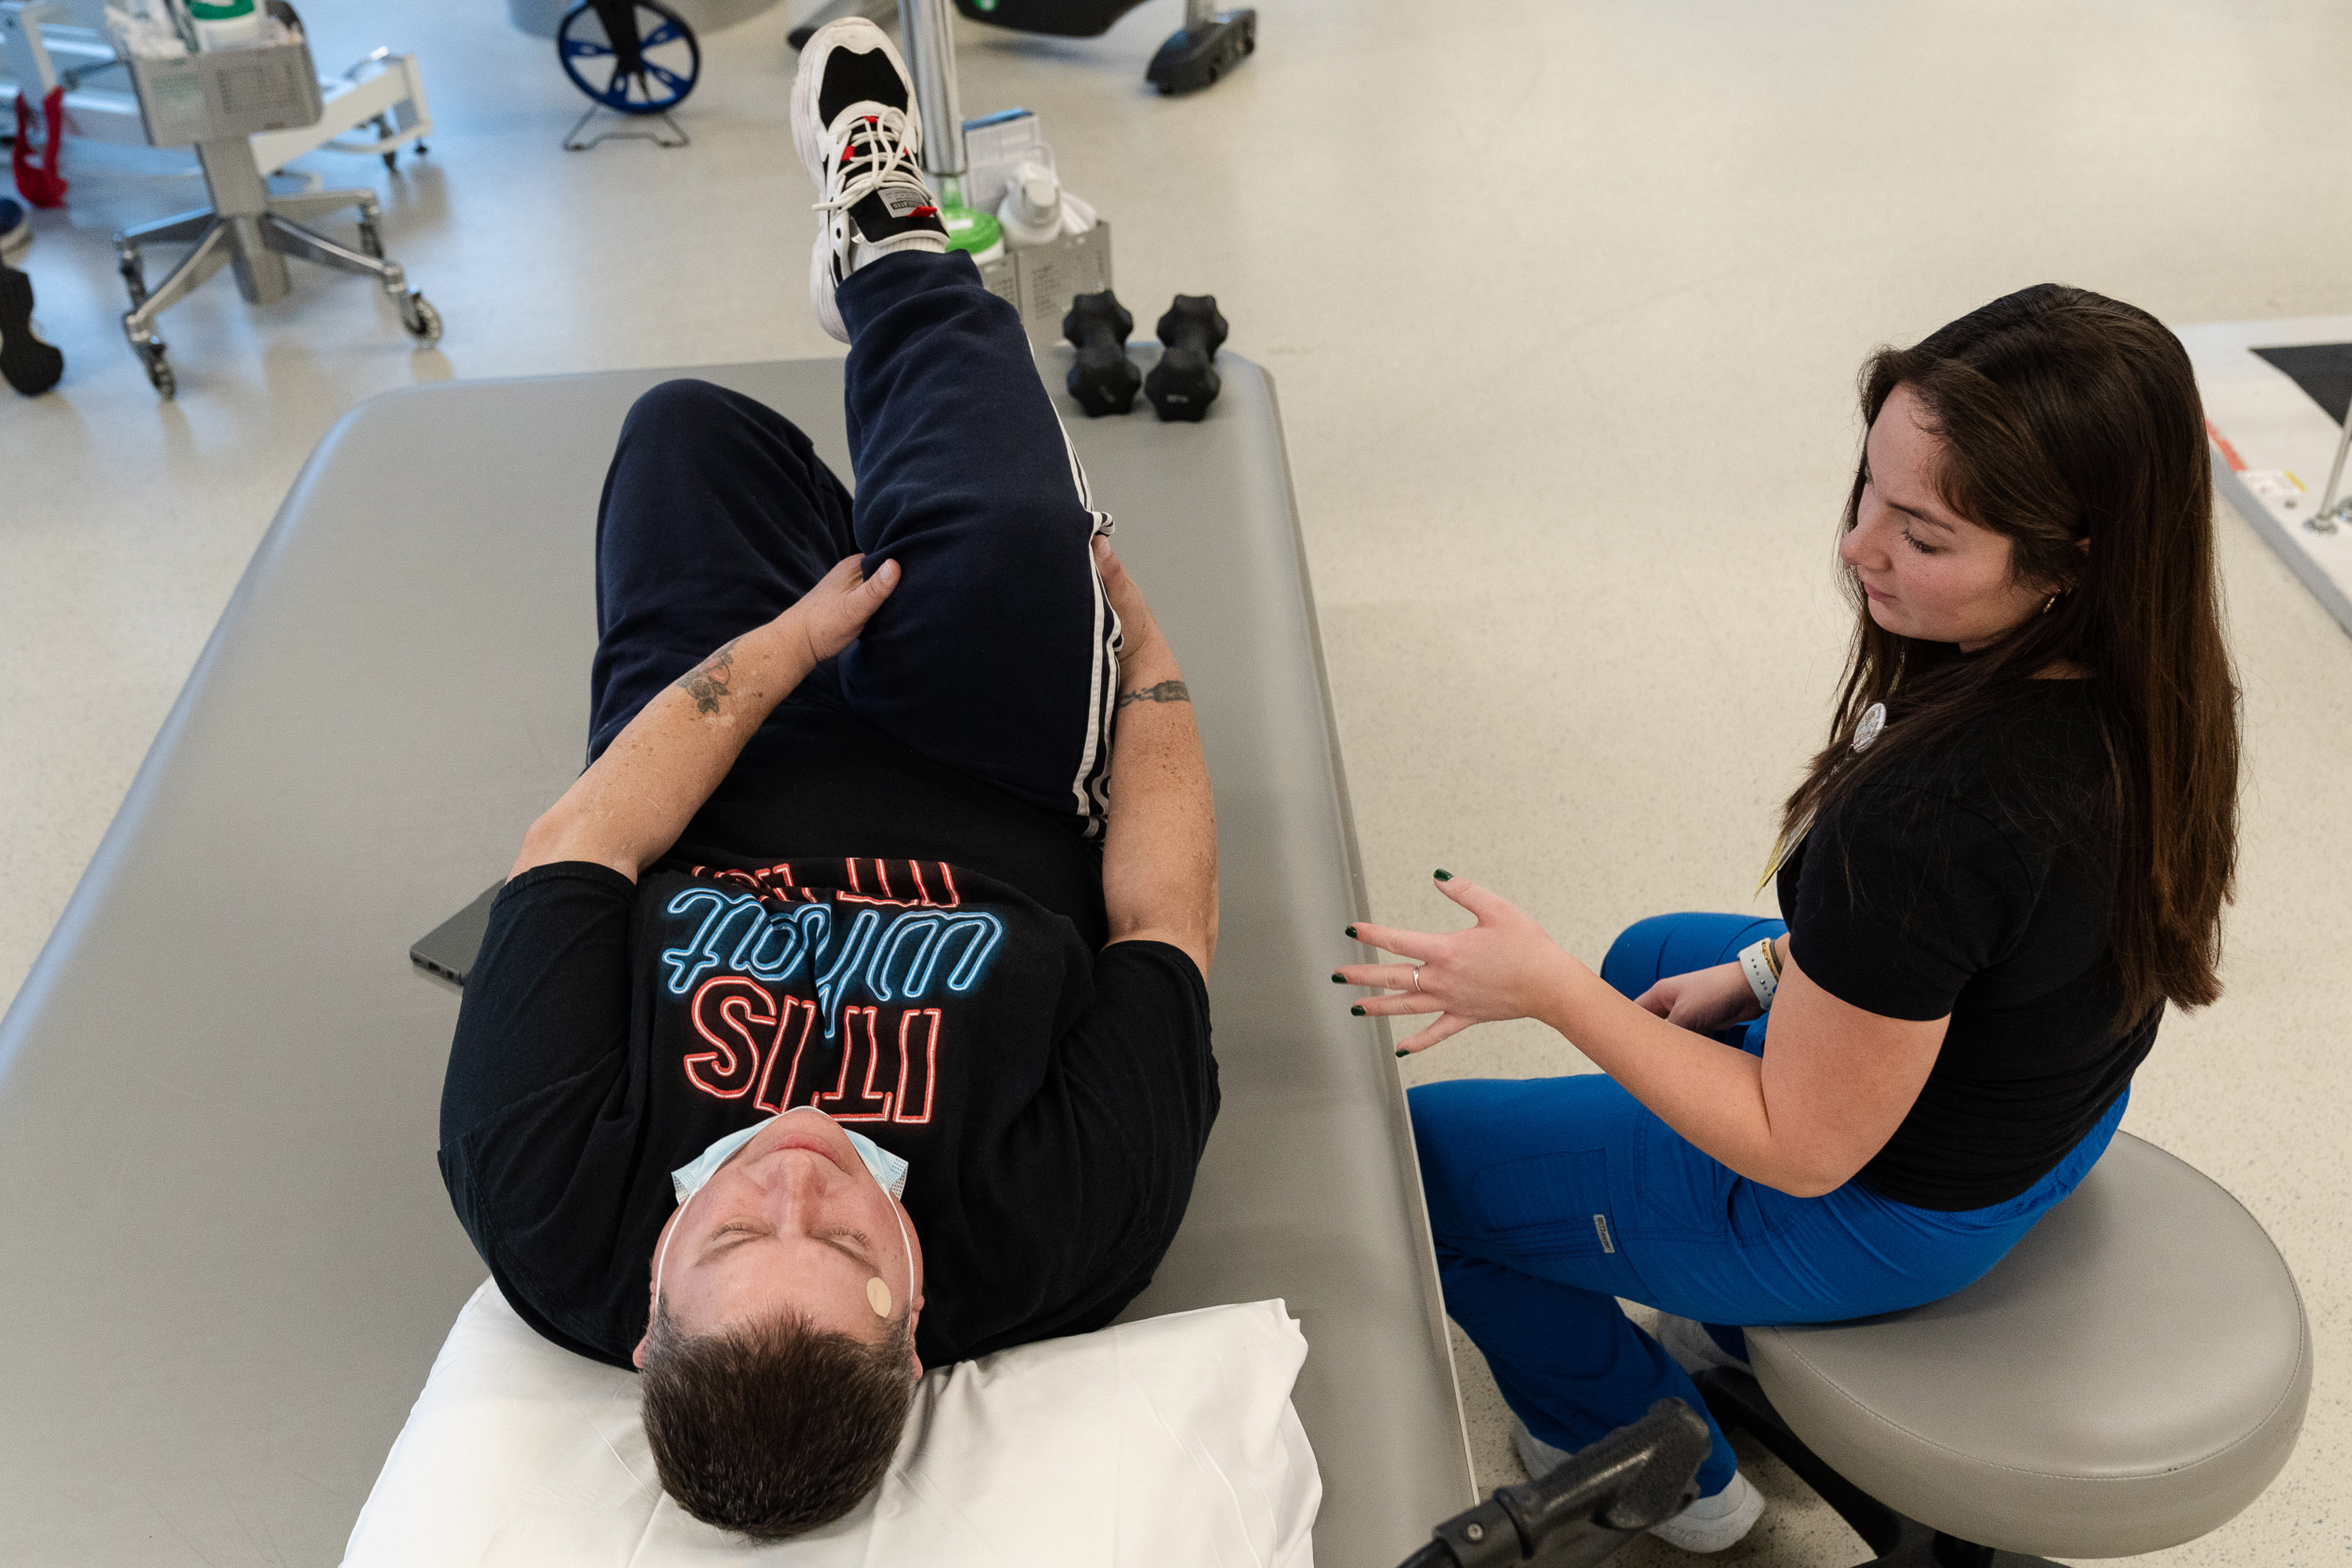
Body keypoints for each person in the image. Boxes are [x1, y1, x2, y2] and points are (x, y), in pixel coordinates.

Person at [434, 18, 1219, 1541]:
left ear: (651, 1307)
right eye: (850, 1241)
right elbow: (1162, 920)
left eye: (734, 1229)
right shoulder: (1065, 1228)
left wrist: (791, 643)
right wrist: (1149, 656)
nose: (796, 1172)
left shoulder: (541, 1200)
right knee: (997, 543)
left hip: (723, 772)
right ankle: (886, 227)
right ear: (914, 1320)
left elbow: (588, 835)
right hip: (991, 772)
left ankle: (866, 548)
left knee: (687, 437)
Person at [1337, 285, 2239, 1552]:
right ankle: (1711, 1300)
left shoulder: (1939, 817)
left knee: (1407, 1173)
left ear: (2071, 557)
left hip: (1891, 1208)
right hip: (2052, 1117)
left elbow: (1805, 1148)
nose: (1861, 548)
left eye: (1923, 537)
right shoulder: (2155, 680)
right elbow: (1973, 943)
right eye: (1868, 490)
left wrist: (1546, 991)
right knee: (1658, 958)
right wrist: (1766, 970)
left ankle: (1665, 1470)